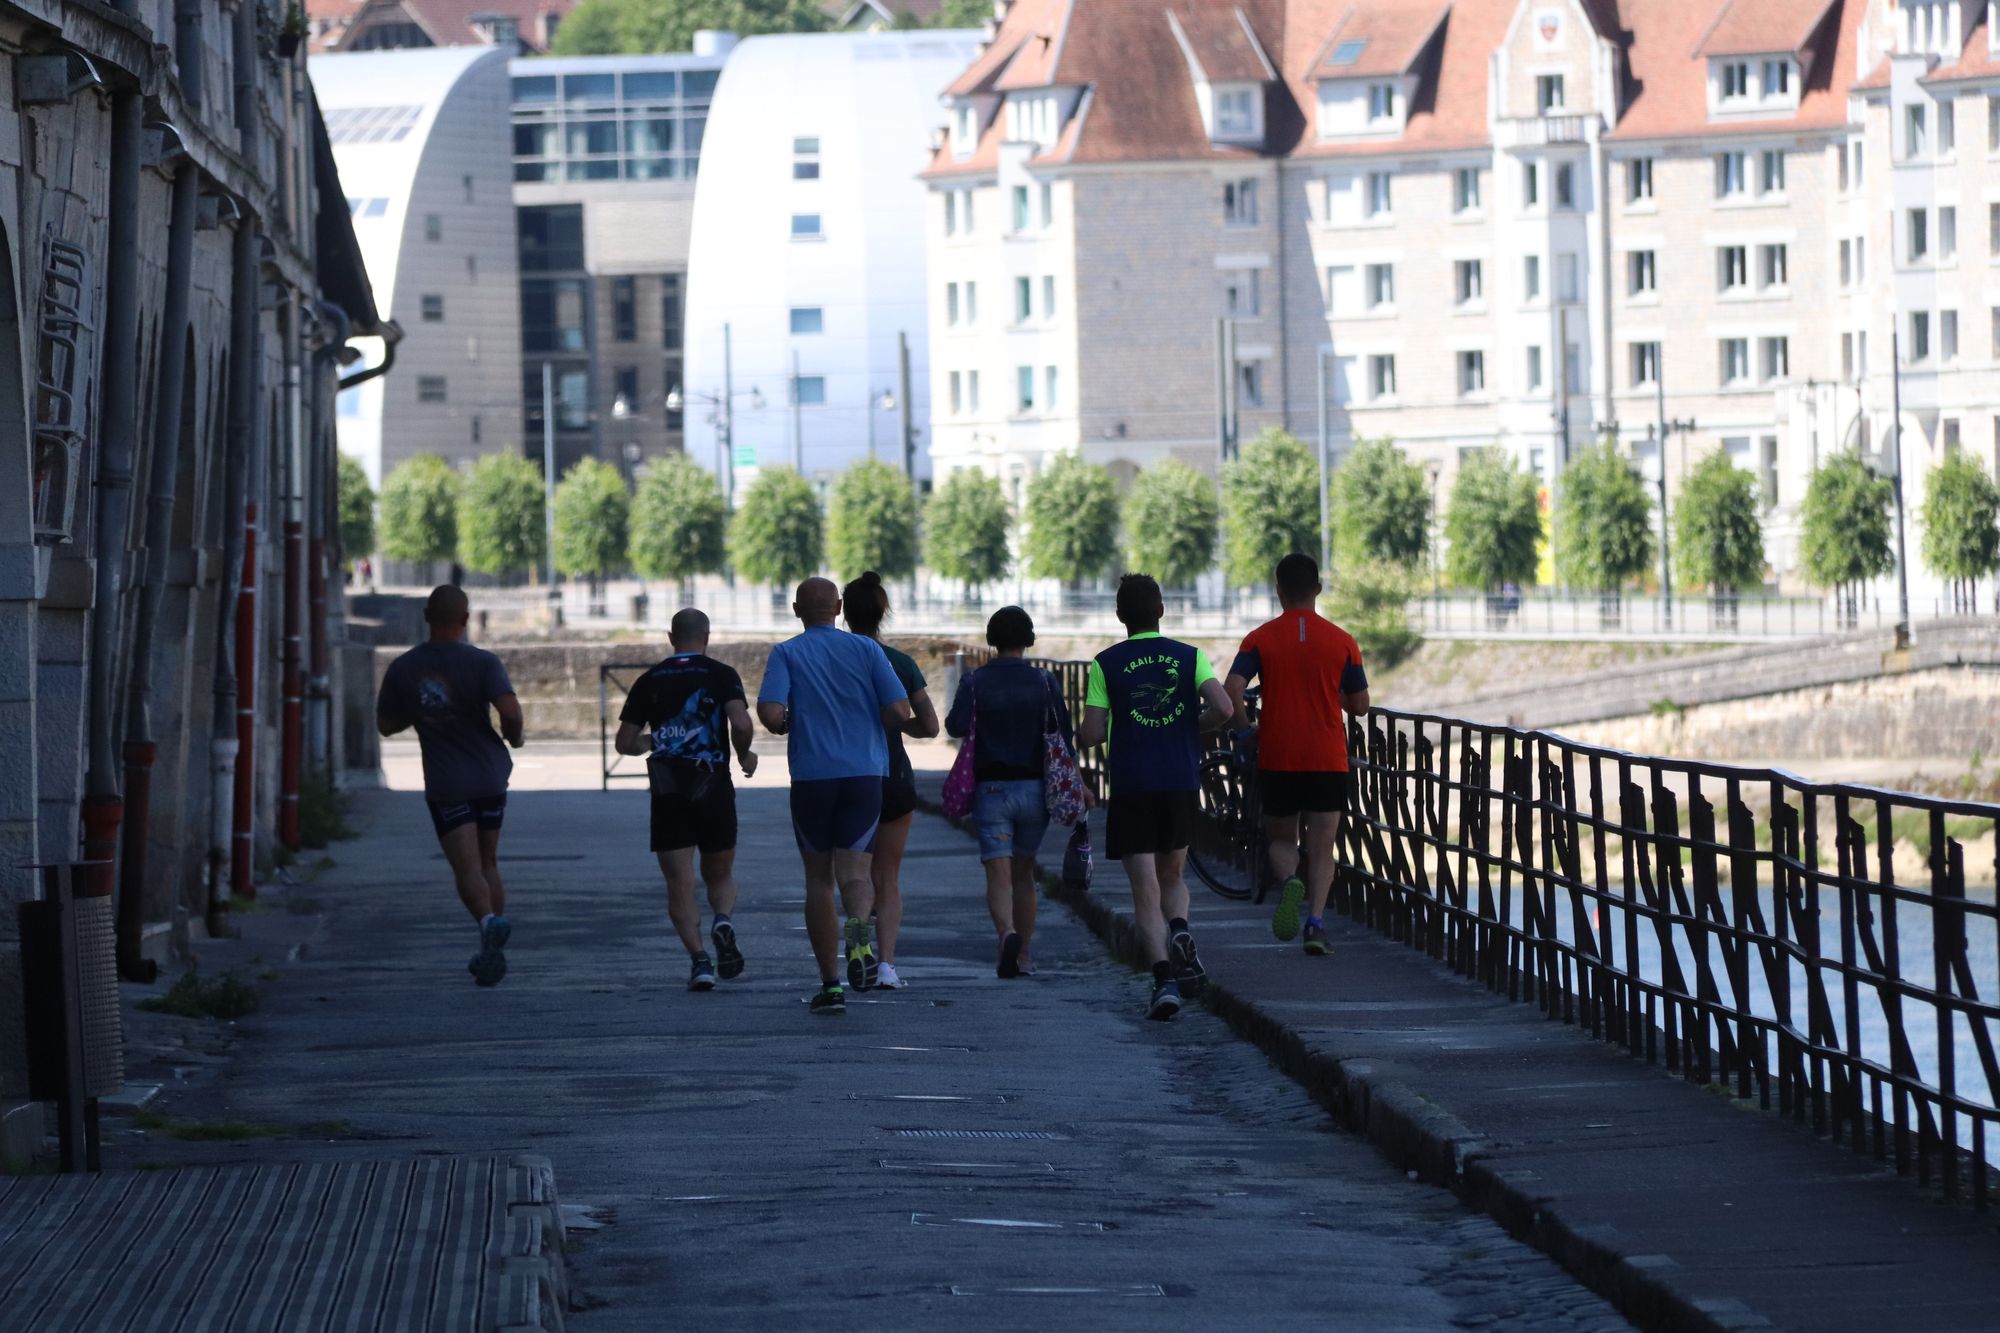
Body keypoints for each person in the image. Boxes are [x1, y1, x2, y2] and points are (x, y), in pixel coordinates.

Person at [1076, 574, 1232, 1020]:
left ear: (1120, 615)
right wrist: (1189, 725)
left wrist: (1092, 732)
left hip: (1132, 784)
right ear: (1161, 611)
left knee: (1143, 891)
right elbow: (1223, 708)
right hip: (1179, 781)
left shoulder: (1105, 663)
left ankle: (1164, 982)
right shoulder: (1191, 657)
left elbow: (1089, 733)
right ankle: (1180, 927)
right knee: (1173, 875)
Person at [757, 577, 914, 1015]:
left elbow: (770, 712)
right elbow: (901, 710)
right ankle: (860, 928)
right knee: (857, 871)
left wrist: (786, 721)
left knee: (817, 879)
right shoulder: (866, 650)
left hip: (812, 776)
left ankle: (831, 984)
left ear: (795, 609)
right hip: (865, 773)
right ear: (839, 607)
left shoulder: (786, 653)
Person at [376, 585, 524, 986]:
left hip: (447, 781)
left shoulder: (404, 668)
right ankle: (490, 946)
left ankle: (489, 922)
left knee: (466, 867)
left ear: (426, 616)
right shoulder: (483, 662)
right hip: (490, 774)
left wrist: (423, 708)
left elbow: (386, 725)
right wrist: (515, 736)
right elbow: (509, 710)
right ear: (465, 619)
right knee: (489, 862)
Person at [1225, 553, 1371, 956]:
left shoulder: (1259, 639)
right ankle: (1316, 923)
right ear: (1318, 589)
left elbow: (1233, 687)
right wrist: (1333, 693)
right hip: (1327, 757)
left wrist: (1242, 730)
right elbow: (1360, 705)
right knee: (1323, 846)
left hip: (1278, 755)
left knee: (1281, 838)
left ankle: (1289, 880)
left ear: (1278, 591)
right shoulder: (1343, 641)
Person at [613, 608, 759, 991]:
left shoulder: (650, 680)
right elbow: (742, 723)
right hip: (712, 784)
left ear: (670, 636)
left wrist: (659, 741)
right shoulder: (721, 675)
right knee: (720, 875)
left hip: (668, 788)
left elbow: (625, 743)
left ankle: (700, 962)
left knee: (679, 882)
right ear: (707, 637)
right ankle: (722, 919)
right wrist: (743, 754)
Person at [945, 606, 1074, 979]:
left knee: (998, 874)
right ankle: (1025, 956)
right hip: (1036, 790)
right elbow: (1063, 737)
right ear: (1029, 640)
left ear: (992, 640)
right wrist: (1078, 782)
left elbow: (955, 726)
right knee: (1024, 875)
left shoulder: (974, 681)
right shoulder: (1045, 682)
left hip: (992, 790)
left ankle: (1007, 935)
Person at [842, 572, 938, 990]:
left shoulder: (834, 660)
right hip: (894, 777)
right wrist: (898, 728)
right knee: (888, 877)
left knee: (852, 875)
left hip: (846, 777)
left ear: (844, 613)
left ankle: (857, 941)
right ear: (884, 613)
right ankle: (887, 966)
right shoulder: (901, 663)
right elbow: (931, 726)